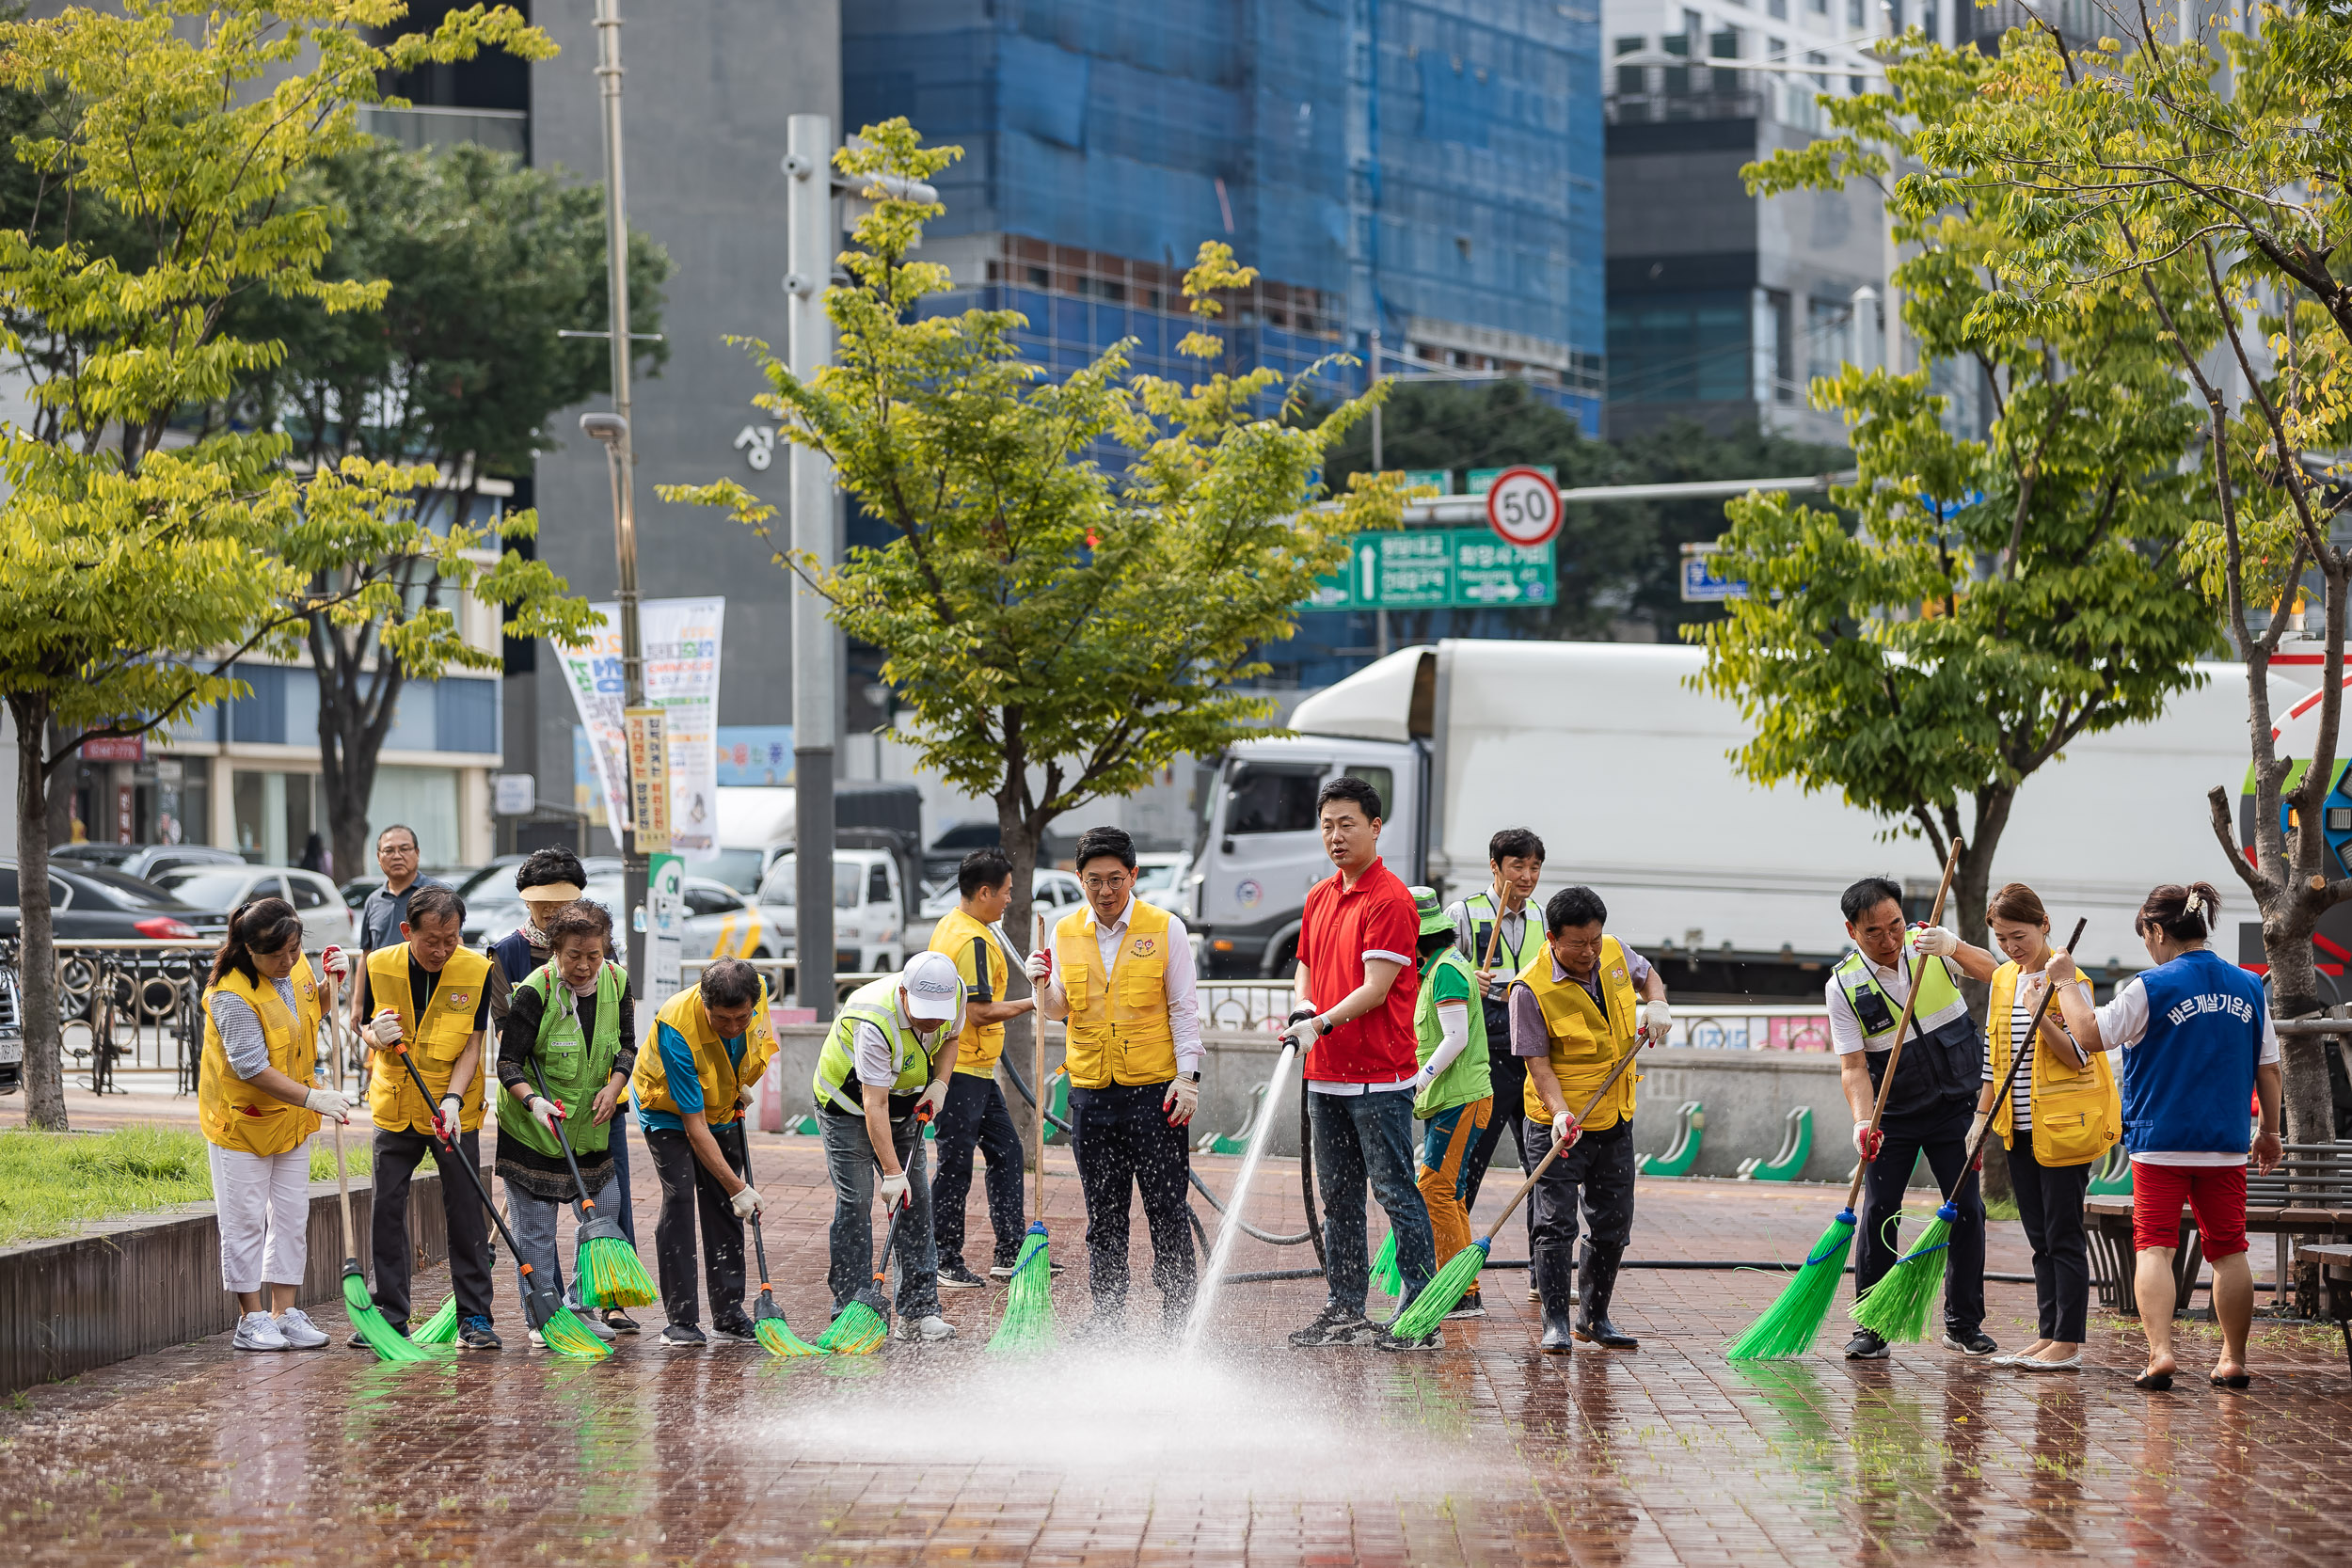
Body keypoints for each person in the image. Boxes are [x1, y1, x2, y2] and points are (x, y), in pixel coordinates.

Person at [2049, 882, 2282, 1391]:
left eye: (2147, 938)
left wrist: (2065, 981)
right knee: (2229, 1251)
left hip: (2161, 1139)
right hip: (2224, 1141)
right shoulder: (2248, 986)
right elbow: (2269, 1070)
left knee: (2154, 1247)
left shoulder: (2150, 986)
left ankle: (2160, 1355)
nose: (2148, 949)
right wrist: (2269, 1131)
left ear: (2158, 930)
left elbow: (2089, 1034)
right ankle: (2232, 1359)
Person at [1279, 777, 1438, 1352]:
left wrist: (1319, 1023)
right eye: (1327, 825)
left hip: (1379, 1075)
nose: (1336, 836)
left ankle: (1421, 1316)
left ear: (1376, 826)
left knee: (1395, 1190)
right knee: (1339, 1197)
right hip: (1325, 1073)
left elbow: (1376, 988)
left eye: (1347, 824)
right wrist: (1304, 1005)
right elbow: (1306, 967)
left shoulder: (1390, 900)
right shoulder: (1320, 897)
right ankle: (1345, 1309)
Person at [1027, 825, 1203, 1335]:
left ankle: (1178, 1319)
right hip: (1091, 1095)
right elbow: (1060, 1008)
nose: (1105, 892)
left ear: (1133, 876)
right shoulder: (1064, 931)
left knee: (1166, 1211)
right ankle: (1107, 1318)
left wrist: (1188, 1078)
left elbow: (1184, 1010)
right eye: (1093, 880)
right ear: (1079, 878)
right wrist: (1039, 985)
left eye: (1115, 880)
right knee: (1103, 1216)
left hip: (1156, 1094)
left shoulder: (1165, 928)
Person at [1826, 875, 2004, 1361]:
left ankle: (1963, 1324)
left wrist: (1956, 945)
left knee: (1968, 1209)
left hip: (1955, 1110)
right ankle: (1872, 1325)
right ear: (1852, 931)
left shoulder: (1933, 947)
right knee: (1881, 1209)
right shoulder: (1843, 986)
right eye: (1874, 933)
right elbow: (1854, 1067)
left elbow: (1996, 973)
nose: (1889, 941)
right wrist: (1864, 1123)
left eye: (1895, 926)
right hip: (1894, 1117)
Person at [486, 847, 642, 1334]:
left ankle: (578, 1306)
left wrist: (616, 1086)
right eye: (574, 956)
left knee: (604, 1212)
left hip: (590, 1128)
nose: (584, 966)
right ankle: (543, 1318)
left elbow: (627, 1047)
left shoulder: (616, 981)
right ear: (556, 951)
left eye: (593, 955)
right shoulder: (533, 988)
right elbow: (508, 1060)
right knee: (533, 1230)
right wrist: (533, 1102)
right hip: (536, 1129)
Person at [1513, 885, 1670, 1353]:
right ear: (1552, 937)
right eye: (1578, 944)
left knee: (1613, 1222)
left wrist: (1656, 1003)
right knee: (1555, 1224)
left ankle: (1594, 1318)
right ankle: (1556, 1322)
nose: (1589, 952)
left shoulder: (1616, 952)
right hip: (1557, 1125)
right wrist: (1560, 1113)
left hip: (1616, 1115)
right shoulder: (1530, 988)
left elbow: (1649, 977)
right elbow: (1538, 1064)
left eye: (1595, 940)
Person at [197, 897, 355, 1352]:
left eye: (294, 950)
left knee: (290, 1217)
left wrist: (330, 982)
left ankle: (285, 1313)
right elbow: (250, 1067)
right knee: (244, 1221)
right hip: (242, 1123)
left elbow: (309, 1013)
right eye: (277, 955)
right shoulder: (231, 994)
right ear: (249, 950)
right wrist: (315, 1097)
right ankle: (251, 1317)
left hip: (290, 1121)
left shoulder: (294, 964)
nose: (288, 961)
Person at [350, 883, 499, 1349]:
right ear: (406, 930)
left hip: (453, 1108)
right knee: (387, 1208)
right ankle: (390, 1317)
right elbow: (361, 1027)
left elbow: (473, 1044)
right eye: (431, 940)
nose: (441, 950)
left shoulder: (477, 970)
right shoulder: (378, 964)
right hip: (395, 1105)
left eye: (451, 938)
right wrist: (374, 1035)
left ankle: (475, 1319)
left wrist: (453, 1100)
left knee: (466, 1211)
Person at [1974, 882, 2115, 1372]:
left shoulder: (2068, 978)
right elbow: (1995, 1059)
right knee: (2038, 1236)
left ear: (2044, 925)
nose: (2012, 948)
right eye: (2002, 939)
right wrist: (1980, 1117)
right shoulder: (2003, 981)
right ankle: (2048, 1332)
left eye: (2019, 935)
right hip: (2018, 1126)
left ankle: (2069, 1340)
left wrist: (2042, 1013)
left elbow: (2080, 1055)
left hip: (2064, 1127)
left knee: (2063, 1233)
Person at [811, 950, 967, 1342]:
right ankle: (850, 1312)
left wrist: (940, 1083)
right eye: (923, 1010)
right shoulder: (873, 1019)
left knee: (917, 1204)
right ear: (903, 993)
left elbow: (952, 1038)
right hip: (847, 1106)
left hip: (904, 1103)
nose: (932, 1019)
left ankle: (918, 1312)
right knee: (856, 1201)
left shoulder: (956, 993)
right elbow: (872, 1104)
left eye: (938, 1011)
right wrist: (893, 1174)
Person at [634, 956, 778, 1349]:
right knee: (681, 1199)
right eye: (722, 1020)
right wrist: (739, 1186)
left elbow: (755, 1042)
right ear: (703, 1001)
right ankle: (680, 1320)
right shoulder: (676, 1026)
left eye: (741, 1019)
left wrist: (740, 1083)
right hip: (668, 1111)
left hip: (721, 1104)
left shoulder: (757, 992)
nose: (734, 1028)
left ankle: (729, 1315)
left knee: (725, 1207)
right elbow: (693, 1125)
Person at [927, 847, 1034, 1289]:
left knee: (1008, 1153)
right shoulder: (969, 939)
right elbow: (977, 1012)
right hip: (961, 1067)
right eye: (1006, 892)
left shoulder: (960, 925)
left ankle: (1010, 1251)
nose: (1010, 899)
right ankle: (943, 1256)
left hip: (976, 1066)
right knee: (955, 1161)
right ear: (984, 891)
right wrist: (1035, 1003)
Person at [1446, 827, 1546, 1300]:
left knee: (1542, 1170)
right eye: (1517, 866)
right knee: (1467, 1168)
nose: (1527, 876)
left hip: (1532, 1060)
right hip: (1481, 1062)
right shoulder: (1463, 914)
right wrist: (1469, 977)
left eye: (1534, 867)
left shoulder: (1547, 919)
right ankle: (1456, 1277)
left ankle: (1543, 1273)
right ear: (1495, 866)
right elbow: (1431, 973)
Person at [1408, 887, 1490, 1316]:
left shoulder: (1446, 973)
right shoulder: (1442, 968)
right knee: (1449, 1192)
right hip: (1453, 1098)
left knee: (1434, 1190)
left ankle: (1457, 1290)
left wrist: (1419, 1081)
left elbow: (1456, 1038)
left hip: (1460, 1098)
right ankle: (1464, 1287)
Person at [352, 824, 442, 1024]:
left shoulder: (438, 894)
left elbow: (456, 947)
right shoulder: (374, 900)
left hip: (428, 1000)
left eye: (404, 849)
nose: (397, 855)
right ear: (378, 857)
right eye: (389, 850)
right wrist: (358, 1004)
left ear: (417, 853)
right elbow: (367, 955)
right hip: (383, 1005)